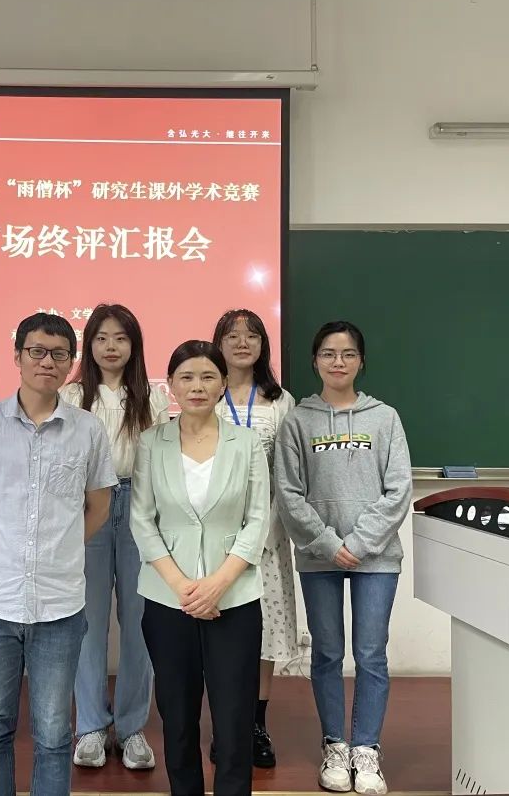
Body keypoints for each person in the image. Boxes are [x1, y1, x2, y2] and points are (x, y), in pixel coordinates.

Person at [0, 312, 118, 796]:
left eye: (59, 354)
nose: (47, 362)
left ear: (71, 363)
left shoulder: (88, 430)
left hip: (59, 605)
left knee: (54, 733)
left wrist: (58, 549)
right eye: (37, 351)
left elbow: (99, 507)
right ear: (17, 356)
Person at [274, 321, 412, 796]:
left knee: (371, 654)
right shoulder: (298, 421)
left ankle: (366, 748)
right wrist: (330, 544)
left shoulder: (385, 418)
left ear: (361, 361)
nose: (338, 362)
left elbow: (399, 489)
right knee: (328, 653)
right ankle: (335, 744)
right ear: (315, 361)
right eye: (329, 354)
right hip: (320, 557)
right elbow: (289, 493)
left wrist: (361, 542)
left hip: (377, 557)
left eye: (348, 354)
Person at [131, 340, 270, 796]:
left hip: (234, 598)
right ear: (170, 385)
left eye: (208, 377)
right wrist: (183, 588)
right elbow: (142, 520)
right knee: (177, 718)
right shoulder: (151, 442)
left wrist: (217, 585)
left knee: (234, 721)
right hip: (167, 600)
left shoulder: (246, 443)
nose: (197, 386)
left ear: (223, 383)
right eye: (186, 377)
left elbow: (258, 519)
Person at [60, 304, 169, 771]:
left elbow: (162, 464)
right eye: (102, 337)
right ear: (89, 344)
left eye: (120, 338)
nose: (110, 347)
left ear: (134, 345)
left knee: (140, 621)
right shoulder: (69, 396)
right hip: (87, 505)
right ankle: (89, 726)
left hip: (140, 507)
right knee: (87, 620)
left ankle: (130, 727)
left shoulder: (154, 397)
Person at [211, 309, 298, 769]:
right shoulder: (207, 393)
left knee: (265, 630)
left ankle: (254, 724)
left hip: (267, 536)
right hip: (214, 539)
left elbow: (289, 472)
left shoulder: (280, 401)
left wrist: (268, 525)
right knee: (220, 632)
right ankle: (224, 725)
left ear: (263, 345)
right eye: (232, 335)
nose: (242, 342)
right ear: (219, 343)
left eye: (252, 335)